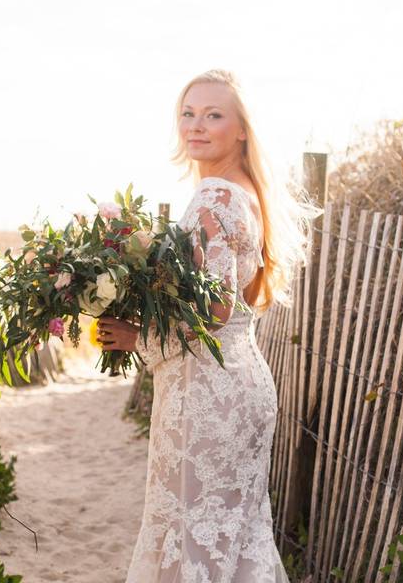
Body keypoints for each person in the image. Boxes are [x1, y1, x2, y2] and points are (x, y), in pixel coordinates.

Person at [98, 68, 318, 582]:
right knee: (234, 538)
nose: (196, 125)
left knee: (194, 536)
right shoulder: (245, 193)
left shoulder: (215, 198)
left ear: (241, 128)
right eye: (188, 113)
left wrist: (138, 337)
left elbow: (211, 311)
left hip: (208, 392)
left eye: (213, 115)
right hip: (239, 384)